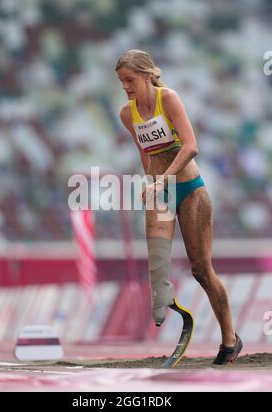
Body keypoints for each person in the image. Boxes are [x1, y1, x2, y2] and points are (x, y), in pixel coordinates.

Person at [116, 49, 243, 365]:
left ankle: (230, 339)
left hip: (189, 190)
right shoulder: (126, 114)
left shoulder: (168, 98)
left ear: (147, 75)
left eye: (129, 80)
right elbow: (144, 152)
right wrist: (151, 182)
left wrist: (164, 179)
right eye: (121, 82)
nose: (125, 87)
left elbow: (191, 146)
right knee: (157, 268)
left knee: (201, 270)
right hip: (160, 193)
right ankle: (163, 311)